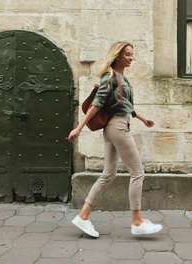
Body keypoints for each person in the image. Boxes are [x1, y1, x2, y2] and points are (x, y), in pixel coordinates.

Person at [68, 41, 163, 238]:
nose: (131, 57)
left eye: (132, 54)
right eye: (127, 54)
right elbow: (97, 103)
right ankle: (137, 221)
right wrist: (79, 128)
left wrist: (142, 118)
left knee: (108, 174)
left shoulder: (121, 78)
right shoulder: (110, 76)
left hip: (116, 125)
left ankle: (83, 216)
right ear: (117, 55)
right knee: (137, 172)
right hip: (118, 127)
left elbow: (123, 104)